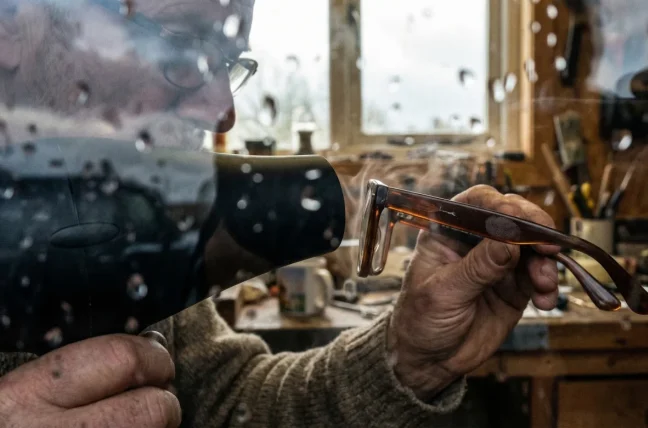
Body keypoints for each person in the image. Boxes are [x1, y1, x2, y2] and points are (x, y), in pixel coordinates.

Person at [0, 0, 560, 426]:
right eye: (182, 48)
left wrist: (408, 357)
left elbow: (226, 402)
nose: (221, 110)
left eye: (225, 62)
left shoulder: (133, 214)